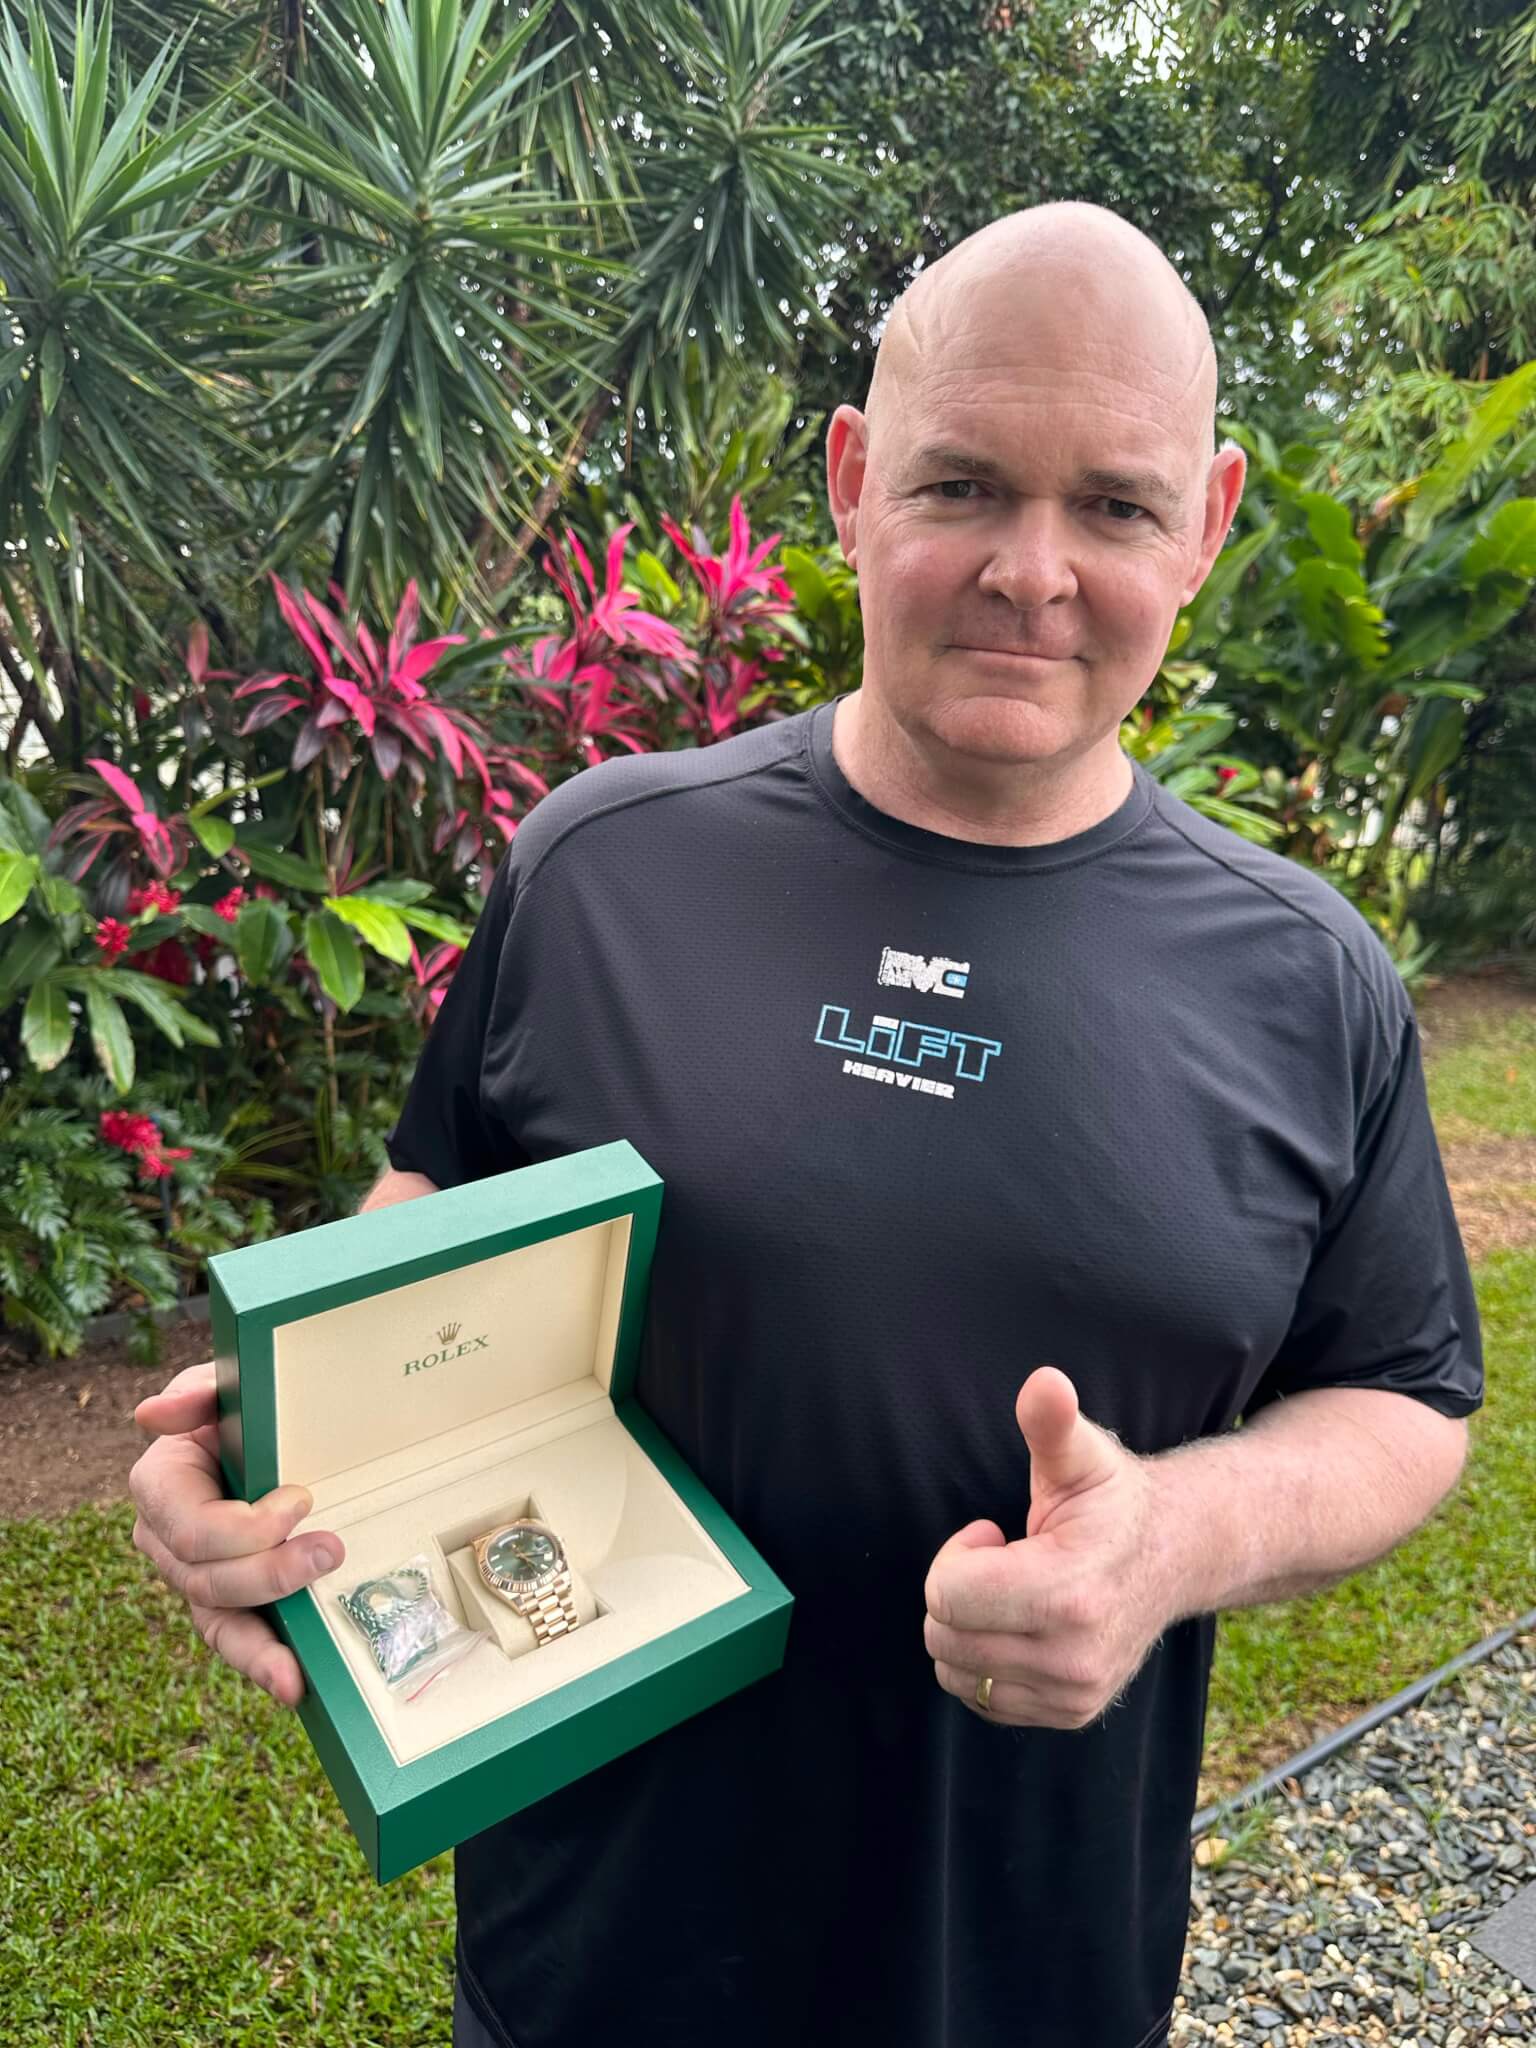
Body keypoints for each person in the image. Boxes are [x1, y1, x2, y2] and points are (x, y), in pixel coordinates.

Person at [129, 202, 1483, 2048]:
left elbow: (1402, 1396)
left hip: (1026, 1969)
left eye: (1114, 506)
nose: (1031, 572)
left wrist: (1173, 1534)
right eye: (961, 485)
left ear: (1210, 523)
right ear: (851, 480)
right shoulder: (605, 869)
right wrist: (272, 1439)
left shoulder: (1309, 980)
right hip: (593, 1951)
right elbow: (433, 1198)